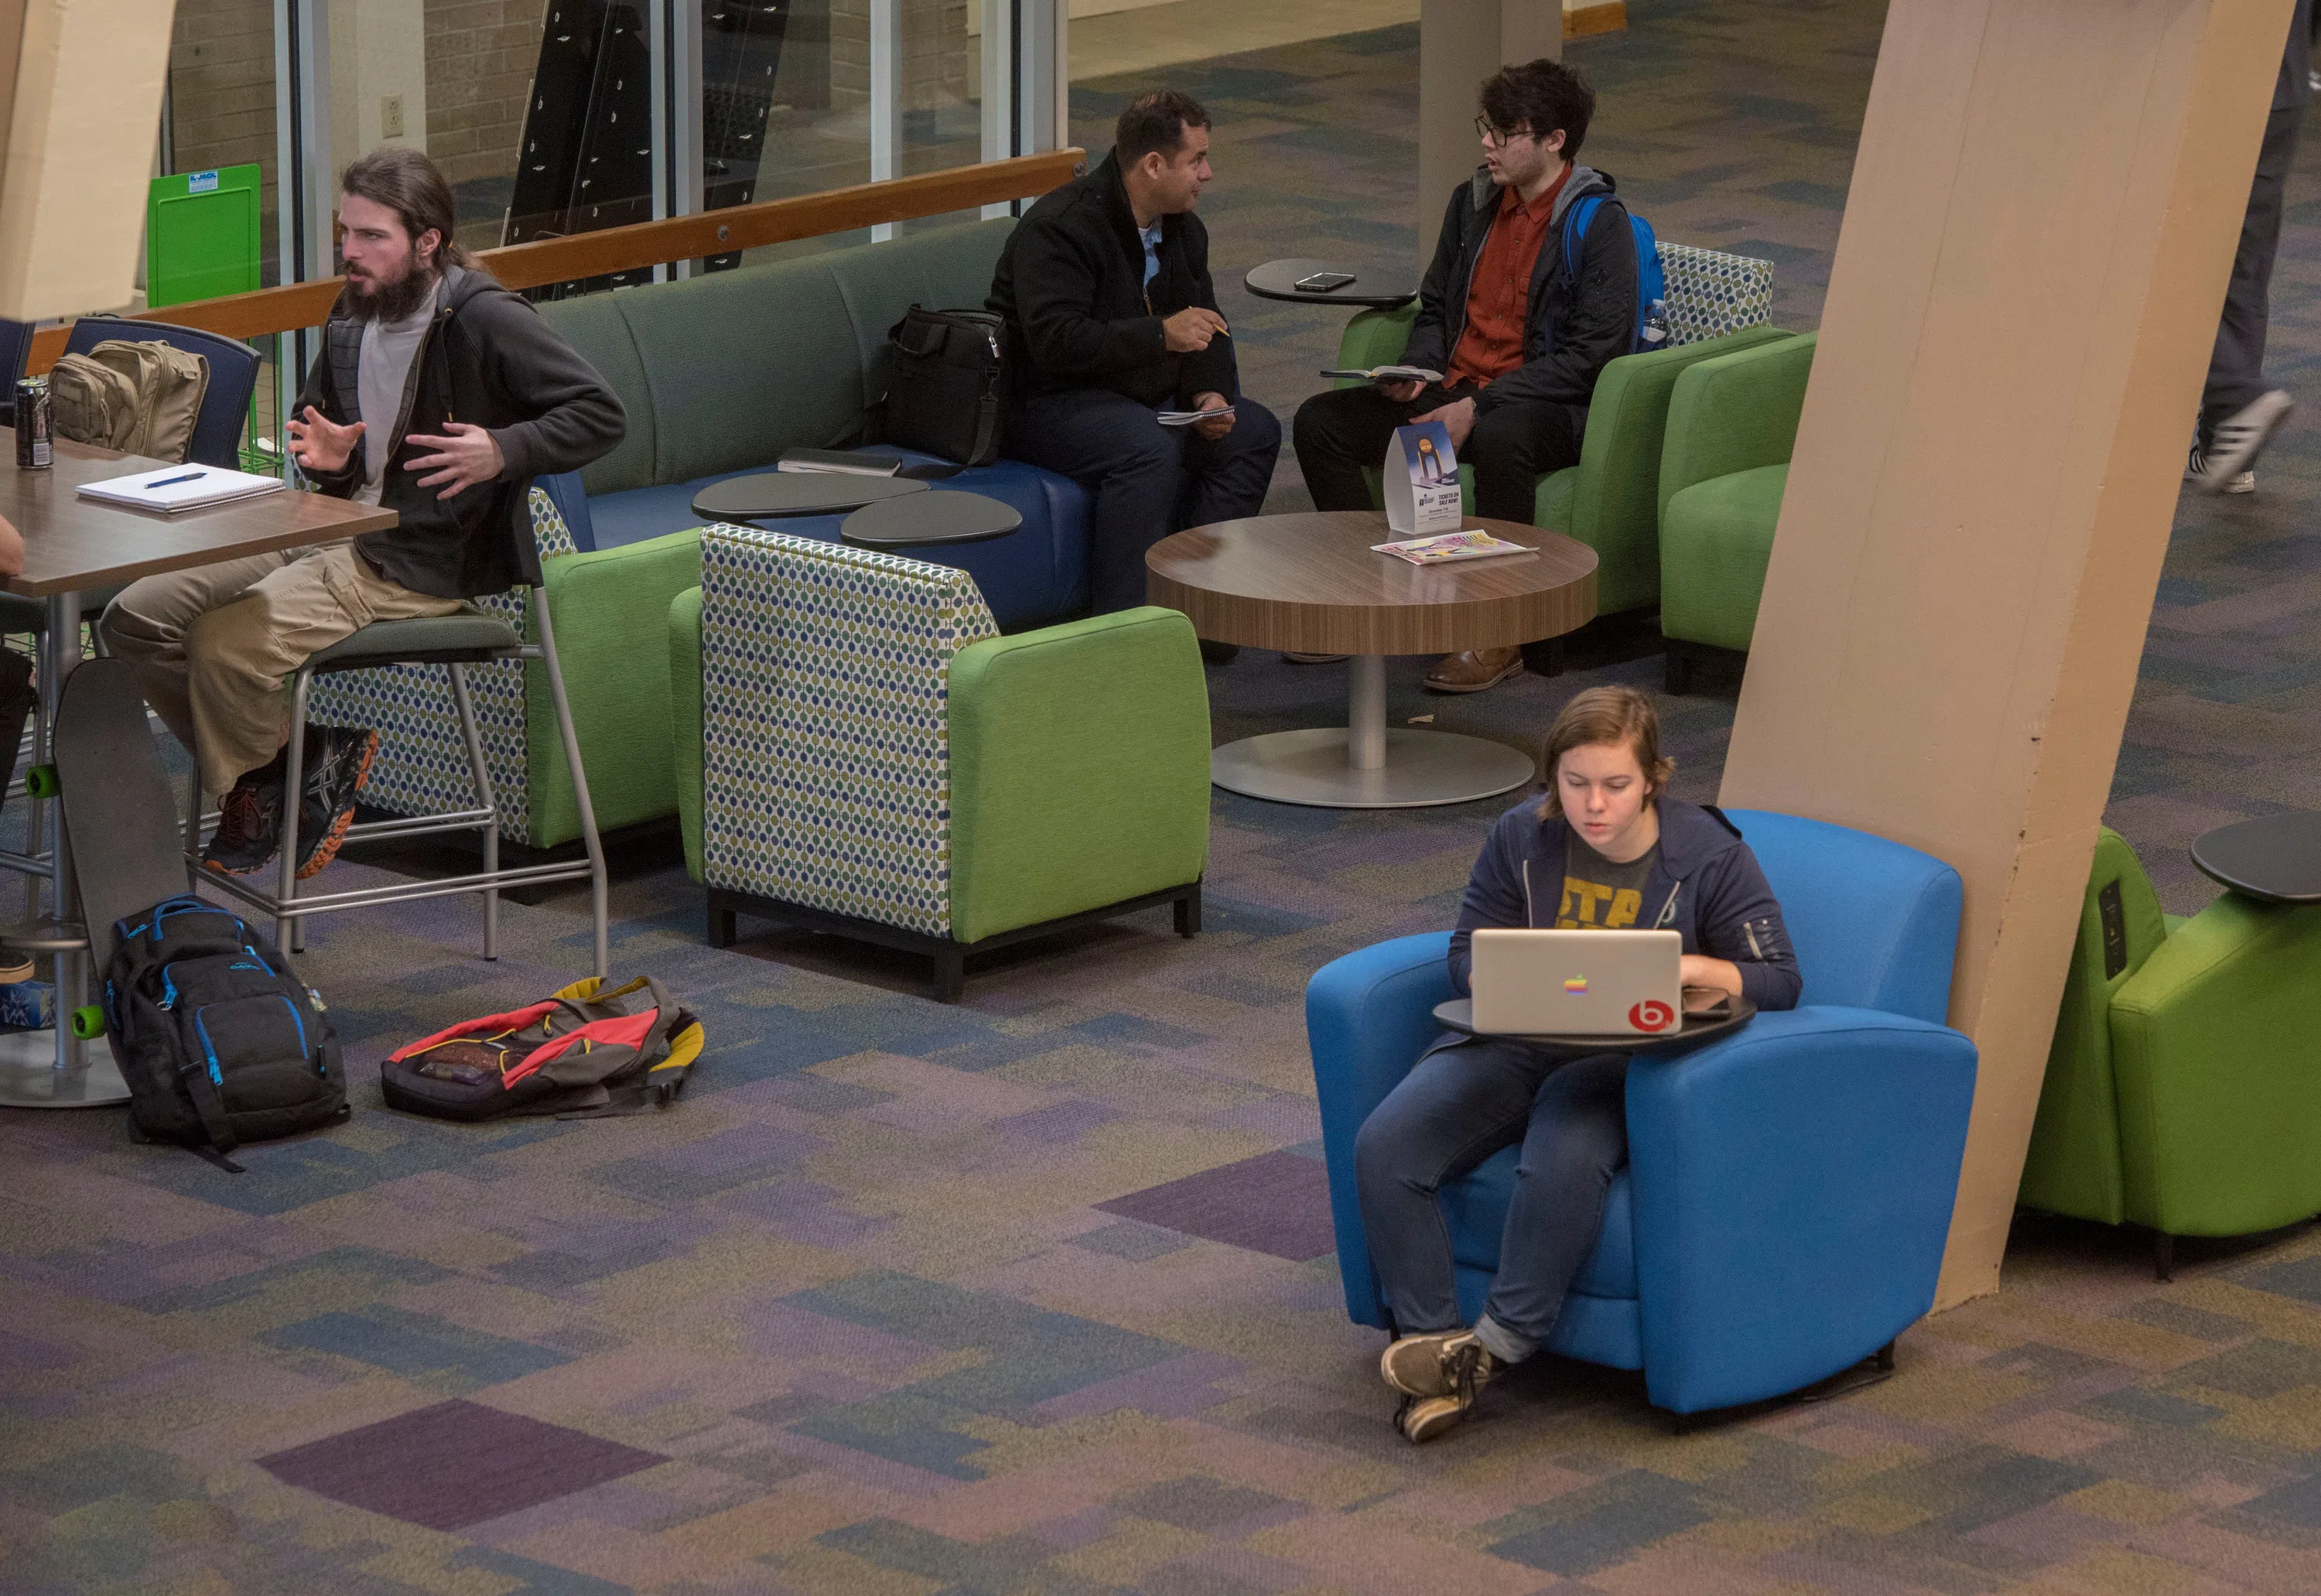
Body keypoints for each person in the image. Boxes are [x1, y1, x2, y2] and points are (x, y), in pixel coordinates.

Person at [101, 148, 625, 880]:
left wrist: (503, 449)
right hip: (331, 529)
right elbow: (326, 436)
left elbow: (602, 413)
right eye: (345, 232)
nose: (351, 252)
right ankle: (293, 764)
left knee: (223, 645)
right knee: (134, 618)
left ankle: (272, 780)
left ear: (427, 240)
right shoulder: (352, 314)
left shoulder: (483, 318)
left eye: (372, 236)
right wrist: (333, 457)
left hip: (420, 557)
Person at [1352, 686, 1800, 1443]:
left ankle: (1494, 1347)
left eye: (1616, 784)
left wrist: (1697, 967)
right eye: (1575, 782)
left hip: (1624, 1061)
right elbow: (1466, 954)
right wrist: (1513, 977)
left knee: (1560, 1149)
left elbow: (1782, 980)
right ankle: (1432, 1347)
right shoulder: (1518, 837)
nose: (1594, 804)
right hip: (1519, 1038)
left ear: (1653, 776)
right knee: (1387, 1145)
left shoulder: (1712, 855)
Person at [1294, 60, 1637, 695]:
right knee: (1322, 423)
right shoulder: (1472, 202)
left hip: (1542, 403)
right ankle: (1368, 604)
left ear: (1554, 139)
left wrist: (1479, 404)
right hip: (1458, 389)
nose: (1488, 142)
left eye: (1506, 132)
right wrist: (1419, 370)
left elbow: (1591, 355)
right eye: (1488, 127)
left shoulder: (1598, 224)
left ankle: (1494, 631)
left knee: (1506, 438)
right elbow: (1437, 307)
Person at [987, 89, 1281, 624]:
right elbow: (1055, 342)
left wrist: (1208, 393)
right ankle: (1123, 628)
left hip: (1134, 393)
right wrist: (1160, 336)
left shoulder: (1184, 230)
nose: (1208, 173)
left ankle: (1203, 609)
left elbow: (1209, 325)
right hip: (1046, 401)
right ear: (1153, 165)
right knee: (1145, 447)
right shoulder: (1062, 228)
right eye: (1196, 160)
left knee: (1253, 430)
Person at [2186, 0, 2309, 493]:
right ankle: (2225, 442)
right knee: (2242, 262)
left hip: (2209, 77)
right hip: (2281, 80)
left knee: (2164, 260)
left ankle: (2234, 396)